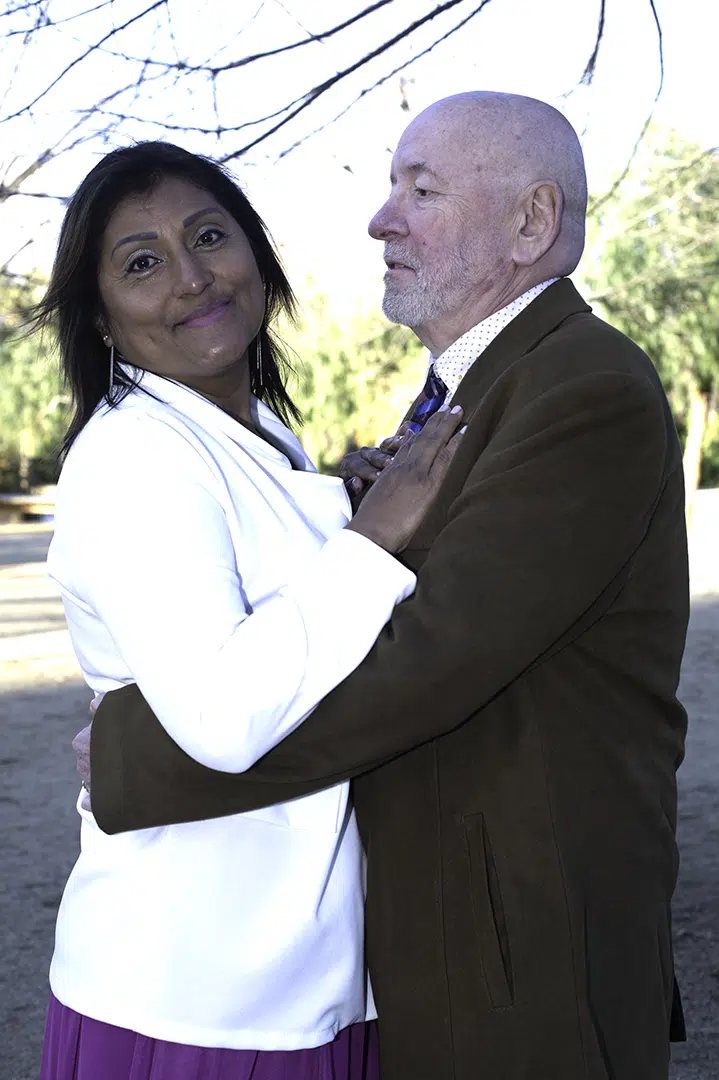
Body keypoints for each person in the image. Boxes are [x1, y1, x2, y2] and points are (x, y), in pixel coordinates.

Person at [86, 93, 689, 1080]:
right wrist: (351, 517)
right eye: (390, 187)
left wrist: (139, 755)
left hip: (522, 940)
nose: (381, 220)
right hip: (450, 927)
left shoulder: (582, 389)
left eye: (422, 190)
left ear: (530, 222)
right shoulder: (486, 386)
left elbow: (428, 662)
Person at [36, 139, 466, 1080]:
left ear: (256, 255)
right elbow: (224, 718)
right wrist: (368, 542)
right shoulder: (134, 457)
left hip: (301, 968)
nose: (191, 278)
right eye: (141, 263)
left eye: (208, 237)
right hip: (200, 994)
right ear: (101, 316)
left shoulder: (257, 430)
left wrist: (339, 509)